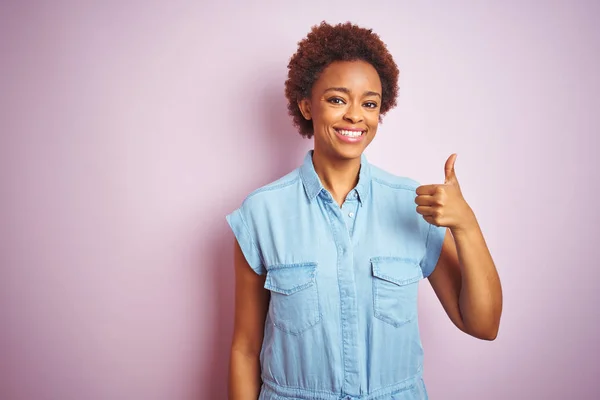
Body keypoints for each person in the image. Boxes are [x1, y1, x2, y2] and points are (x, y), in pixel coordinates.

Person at [226, 21, 502, 400]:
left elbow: (483, 325)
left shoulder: (414, 204)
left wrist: (466, 225)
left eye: (369, 103)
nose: (355, 115)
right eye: (337, 99)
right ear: (307, 105)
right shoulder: (261, 213)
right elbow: (244, 347)